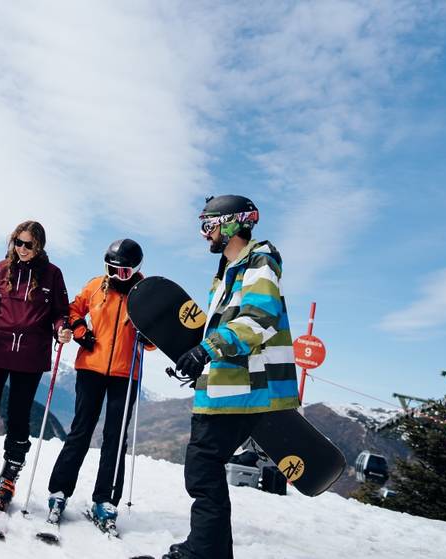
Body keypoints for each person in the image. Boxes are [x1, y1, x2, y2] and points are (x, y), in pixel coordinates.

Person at [162, 195, 299, 559]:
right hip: (228, 387)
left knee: (202, 468)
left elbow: (259, 317)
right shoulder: (228, 270)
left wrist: (206, 351)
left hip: (243, 390)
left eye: (208, 225)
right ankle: (209, 550)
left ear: (232, 224)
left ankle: (203, 553)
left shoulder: (259, 261)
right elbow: (221, 326)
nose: (204, 234)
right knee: (204, 468)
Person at [0, 220, 72, 513]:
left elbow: (61, 312)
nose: (21, 249)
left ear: (39, 246)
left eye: (27, 244)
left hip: (30, 355)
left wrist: (62, 328)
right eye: (17, 242)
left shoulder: (53, 275)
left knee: (19, 416)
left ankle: (9, 475)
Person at [44, 238, 153, 531]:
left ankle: (105, 500)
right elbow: (73, 310)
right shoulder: (96, 285)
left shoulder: (145, 294)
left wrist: (149, 337)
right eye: (111, 269)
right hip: (91, 366)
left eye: (123, 272)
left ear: (135, 270)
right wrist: (80, 331)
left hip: (125, 372)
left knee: (115, 438)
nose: (116, 276)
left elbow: (156, 335)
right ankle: (59, 491)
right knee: (80, 430)